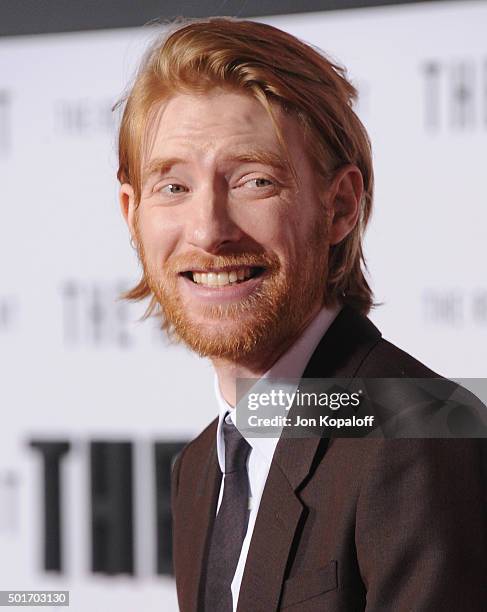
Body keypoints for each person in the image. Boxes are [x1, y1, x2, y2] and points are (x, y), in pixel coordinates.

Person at [116, 17, 486, 611]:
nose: (209, 230)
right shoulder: (199, 468)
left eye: (254, 181)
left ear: (339, 207)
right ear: (131, 212)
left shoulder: (421, 432)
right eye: (174, 187)